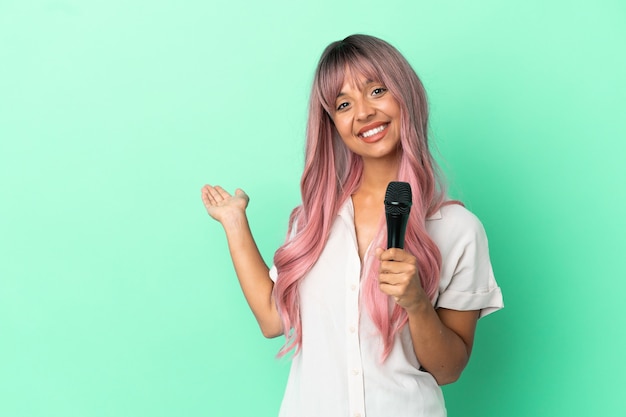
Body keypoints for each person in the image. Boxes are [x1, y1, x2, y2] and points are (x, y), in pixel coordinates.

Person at [201, 34, 503, 417]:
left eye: (376, 90)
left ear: (404, 95)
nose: (362, 112)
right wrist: (233, 222)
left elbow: (449, 370)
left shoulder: (458, 229)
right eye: (344, 103)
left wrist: (416, 303)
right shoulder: (314, 222)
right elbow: (271, 318)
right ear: (333, 124)